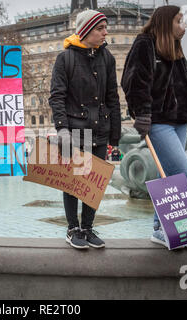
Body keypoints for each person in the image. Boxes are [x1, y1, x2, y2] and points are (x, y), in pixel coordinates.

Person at [121, 6, 187, 248]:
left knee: (172, 176)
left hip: (178, 120)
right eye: (179, 21)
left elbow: (186, 82)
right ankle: (166, 228)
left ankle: (170, 229)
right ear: (167, 22)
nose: (183, 26)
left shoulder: (174, 48)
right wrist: (142, 113)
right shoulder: (144, 43)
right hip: (157, 120)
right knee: (184, 174)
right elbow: (134, 80)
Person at [49, 9, 121, 250]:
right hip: (74, 128)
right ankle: (73, 228)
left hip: (100, 128)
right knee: (73, 180)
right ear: (87, 30)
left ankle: (88, 228)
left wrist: (115, 134)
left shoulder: (107, 58)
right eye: (101, 28)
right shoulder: (65, 58)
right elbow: (57, 96)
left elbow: (112, 97)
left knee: (94, 181)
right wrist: (62, 129)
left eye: (105, 27)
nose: (105, 32)